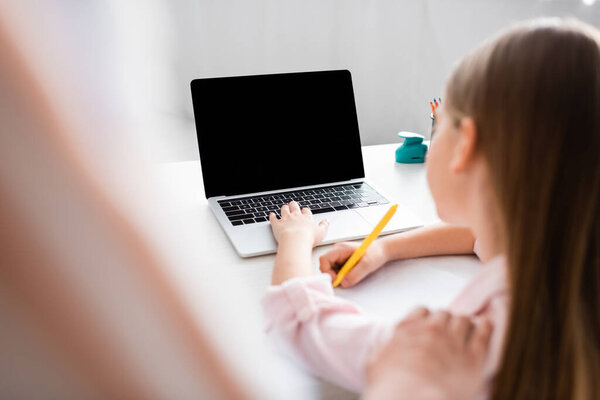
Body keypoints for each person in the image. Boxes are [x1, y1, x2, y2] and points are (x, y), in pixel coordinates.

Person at [262, 17, 600, 399]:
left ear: (464, 145)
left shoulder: (454, 348)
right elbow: (481, 234)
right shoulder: (564, 261)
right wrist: (384, 248)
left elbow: (301, 325)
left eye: (439, 126)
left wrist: (294, 240)